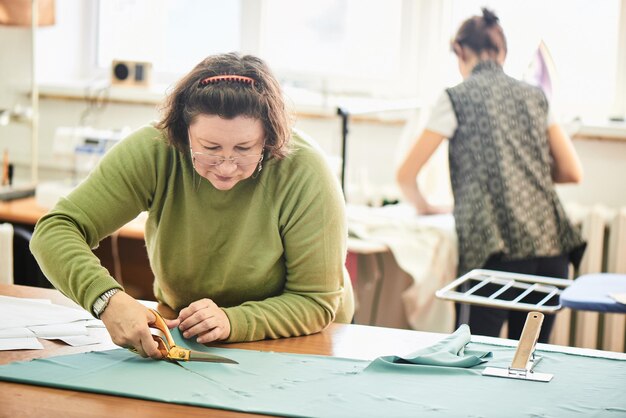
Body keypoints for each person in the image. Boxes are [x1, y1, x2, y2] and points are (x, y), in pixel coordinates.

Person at [31, 52, 354, 358]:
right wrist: (107, 300)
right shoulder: (155, 150)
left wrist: (234, 321)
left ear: (269, 137)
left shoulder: (305, 169)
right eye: (210, 148)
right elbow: (55, 230)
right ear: (182, 133)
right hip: (188, 328)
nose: (226, 167)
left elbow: (314, 300)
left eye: (244, 148)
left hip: (302, 336)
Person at [396, 8, 585, 343]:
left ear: (461, 52)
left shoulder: (455, 98)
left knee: (477, 359)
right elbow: (571, 171)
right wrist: (524, 168)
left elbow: (406, 175)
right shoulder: (536, 96)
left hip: (496, 255)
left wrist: (425, 206)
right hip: (552, 251)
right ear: (504, 53)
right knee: (527, 364)